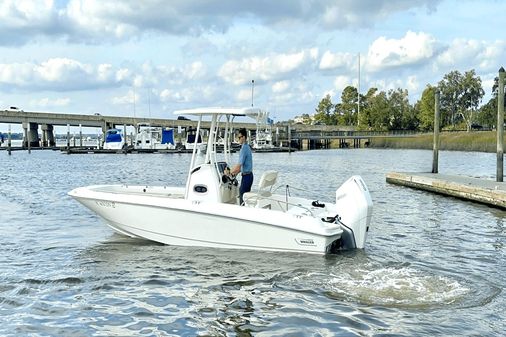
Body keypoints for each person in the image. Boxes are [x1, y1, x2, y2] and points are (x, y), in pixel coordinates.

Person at [230, 128, 253, 205]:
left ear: (244, 137)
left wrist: (228, 172)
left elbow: (238, 166)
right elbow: (241, 167)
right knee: (244, 197)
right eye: (238, 137)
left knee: (242, 198)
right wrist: (234, 173)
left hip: (246, 177)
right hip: (249, 176)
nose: (238, 139)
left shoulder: (244, 149)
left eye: (239, 137)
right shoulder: (247, 147)